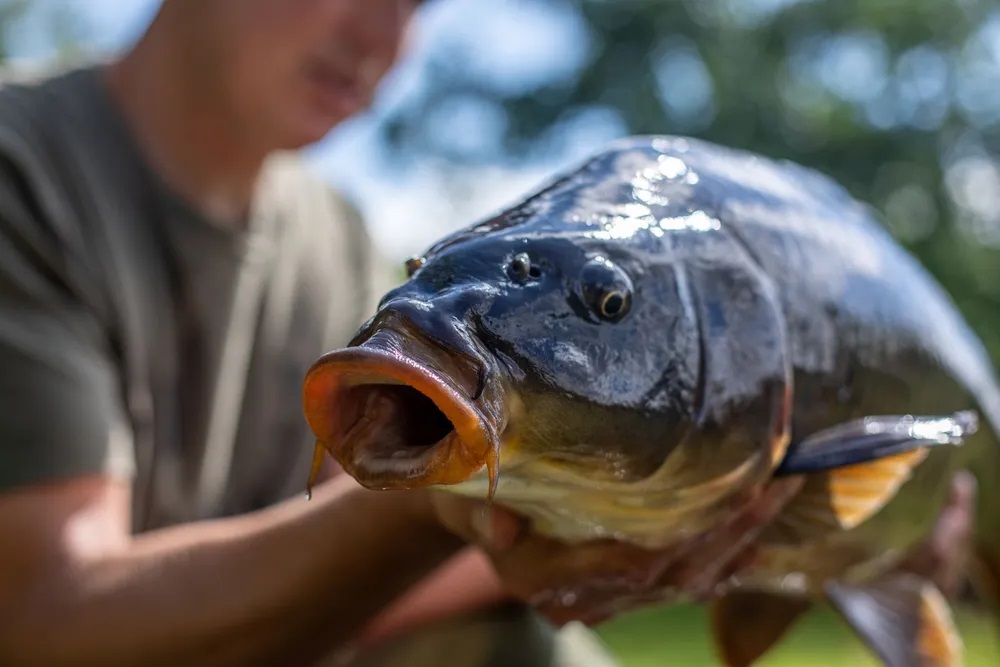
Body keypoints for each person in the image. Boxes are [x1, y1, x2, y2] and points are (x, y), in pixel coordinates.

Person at [0, 1, 977, 666]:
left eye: (419, 3)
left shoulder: (330, 230)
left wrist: (591, 538)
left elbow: (350, 576)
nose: (379, 34)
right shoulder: (24, 171)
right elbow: (41, 618)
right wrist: (440, 509)